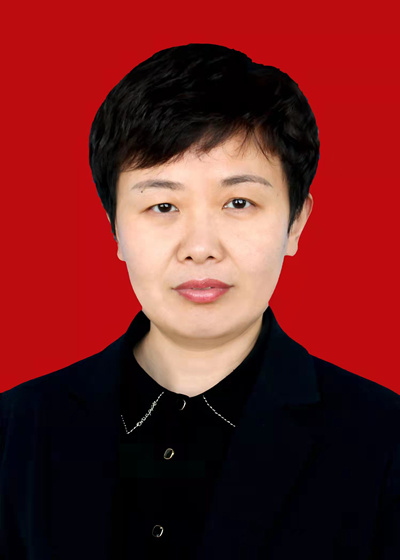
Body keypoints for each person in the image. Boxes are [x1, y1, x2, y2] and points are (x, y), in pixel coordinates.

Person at [0, 43, 399, 560]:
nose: (200, 247)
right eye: (163, 205)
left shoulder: (382, 439)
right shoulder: (17, 429)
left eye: (239, 202)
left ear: (296, 222)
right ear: (115, 228)